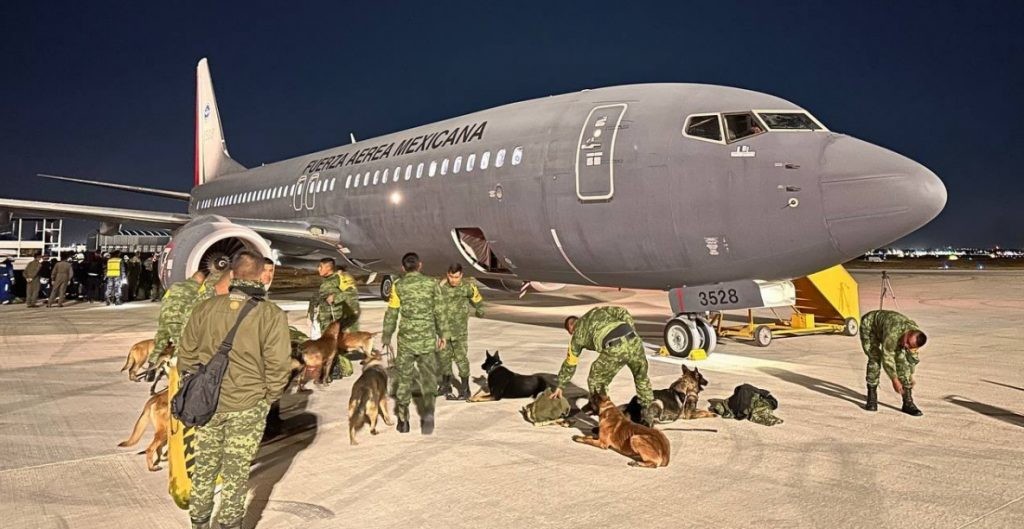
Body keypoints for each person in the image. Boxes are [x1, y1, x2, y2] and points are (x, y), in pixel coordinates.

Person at [177, 251, 291, 529]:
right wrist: (269, 397)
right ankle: (229, 524)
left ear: (234, 275)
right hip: (248, 405)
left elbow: (185, 356)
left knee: (204, 467)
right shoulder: (270, 314)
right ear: (259, 276)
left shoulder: (205, 308)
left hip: (208, 404)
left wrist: (195, 385)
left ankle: (199, 523)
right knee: (236, 472)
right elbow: (279, 365)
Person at [551, 306, 657, 426]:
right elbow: (622, 311)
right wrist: (630, 329)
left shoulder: (576, 335)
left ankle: (605, 417)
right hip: (634, 340)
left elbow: (570, 363)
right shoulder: (596, 311)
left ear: (571, 329)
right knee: (641, 377)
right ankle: (648, 417)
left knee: (596, 380)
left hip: (614, 347)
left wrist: (560, 385)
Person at [382, 252, 448, 434]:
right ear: (420, 265)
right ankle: (428, 416)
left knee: (404, 379)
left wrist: (387, 335)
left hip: (406, 341)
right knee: (428, 379)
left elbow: (392, 312)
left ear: (403, 268)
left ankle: (403, 421)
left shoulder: (398, 286)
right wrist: (443, 335)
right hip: (427, 340)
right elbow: (440, 311)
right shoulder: (432, 284)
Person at [860, 309, 928, 416]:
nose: (906, 346)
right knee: (875, 359)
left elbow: (911, 360)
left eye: (910, 346)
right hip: (870, 326)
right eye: (907, 343)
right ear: (908, 333)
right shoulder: (893, 333)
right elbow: (887, 358)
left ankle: (908, 402)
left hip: (888, 330)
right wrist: (895, 380)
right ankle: (872, 397)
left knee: (902, 362)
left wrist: (910, 377)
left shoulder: (914, 335)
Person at [436, 263, 485, 400]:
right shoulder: (441, 288)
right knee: (444, 359)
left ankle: (465, 388)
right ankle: (445, 385)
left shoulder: (467, 287)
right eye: (451, 277)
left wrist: (480, 310)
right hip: (444, 332)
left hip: (459, 332)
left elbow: (477, 299)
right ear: (447, 274)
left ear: (461, 275)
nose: (453, 280)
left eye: (456, 277)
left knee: (461, 359)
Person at [149, 269, 207, 366]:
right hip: (178, 320)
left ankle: (151, 367)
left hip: (165, 316)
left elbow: (165, 299)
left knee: (160, 342)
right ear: (201, 281)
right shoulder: (198, 290)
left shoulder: (175, 286)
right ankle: (177, 369)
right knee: (180, 345)